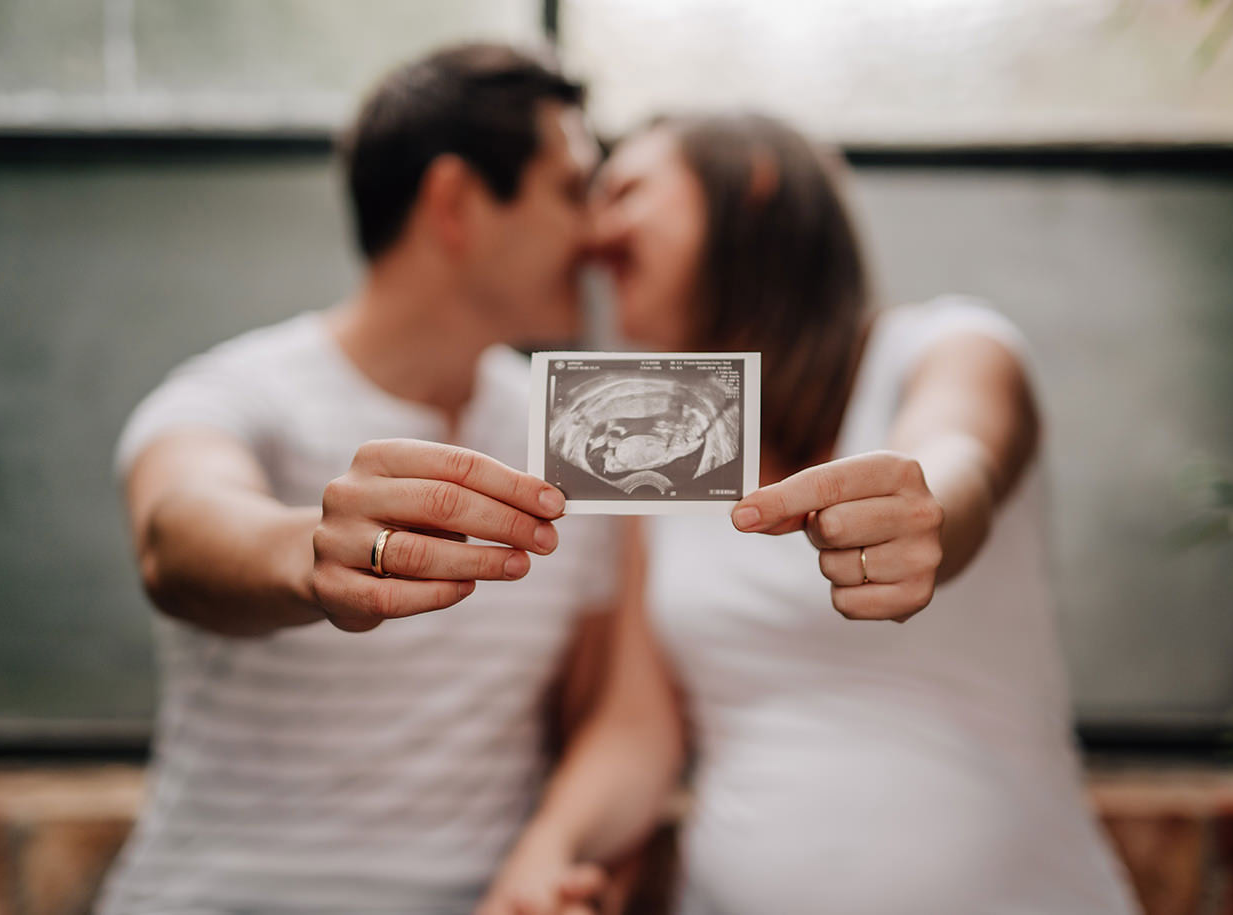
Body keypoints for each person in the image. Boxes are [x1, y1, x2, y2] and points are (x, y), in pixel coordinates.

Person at [480, 115, 1139, 915]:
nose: (592, 235)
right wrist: (547, 848)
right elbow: (635, 726)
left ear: (753, 182)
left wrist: (927, 512)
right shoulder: (663, 452)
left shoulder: (946, 346)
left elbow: (958, 456)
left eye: (624, 191)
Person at [96, 44, 623, 914]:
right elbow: (174, 537)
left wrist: (563, 870)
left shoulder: (579, 434)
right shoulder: (234, 396)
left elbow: (592, 718)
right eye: (572, 191)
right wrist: (309, 554)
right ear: (454, 203)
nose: (599, 234)